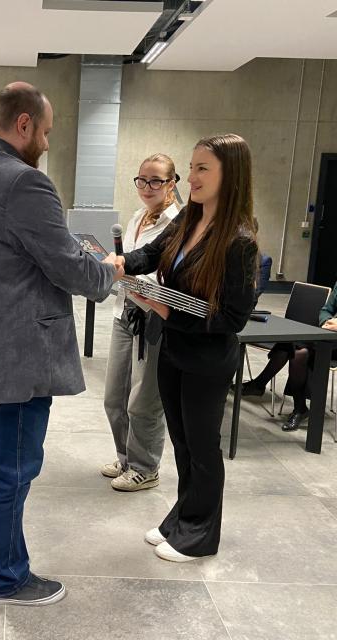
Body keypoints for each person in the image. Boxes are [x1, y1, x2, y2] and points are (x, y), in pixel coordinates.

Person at [0, 82, 123, 606]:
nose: (47, 142)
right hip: (9, 361)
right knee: (8, 471)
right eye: (47, 132)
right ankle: (7, 578)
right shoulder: (23, 182)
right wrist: (107, 269)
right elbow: (73, 271)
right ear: (24, 124)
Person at [122, 134, 258, 562]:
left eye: (202, 169)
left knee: (202, 448)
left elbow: (231, 319)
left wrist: (165, 310)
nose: (192, 177)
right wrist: (119, 263)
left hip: (207, 360)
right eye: (192, 167)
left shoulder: (239, 240)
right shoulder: (188, 218)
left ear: (229, 175)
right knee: (182, 444)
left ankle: (200, 535)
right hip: (174, 350)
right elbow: (150, 254)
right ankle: (183, 517)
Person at [101, 154, 180, 492]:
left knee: (144, 401)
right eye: (142, 180)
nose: (147, 187)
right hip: (125, 313)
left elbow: (166, 275)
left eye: (156, 180)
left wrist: (130, 277)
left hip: (153, 317)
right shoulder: (136, 217)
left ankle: (145, 467)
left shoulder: (178, 224)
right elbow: (132, 261)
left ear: (171, 183)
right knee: (114, 398)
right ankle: (126, 459)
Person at [239, 280, 337, 431]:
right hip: (328, 334)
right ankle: (299, 408)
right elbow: (326, 310)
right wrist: (326, 321)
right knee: (294, 348)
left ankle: (260, 385)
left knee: (295, 348)